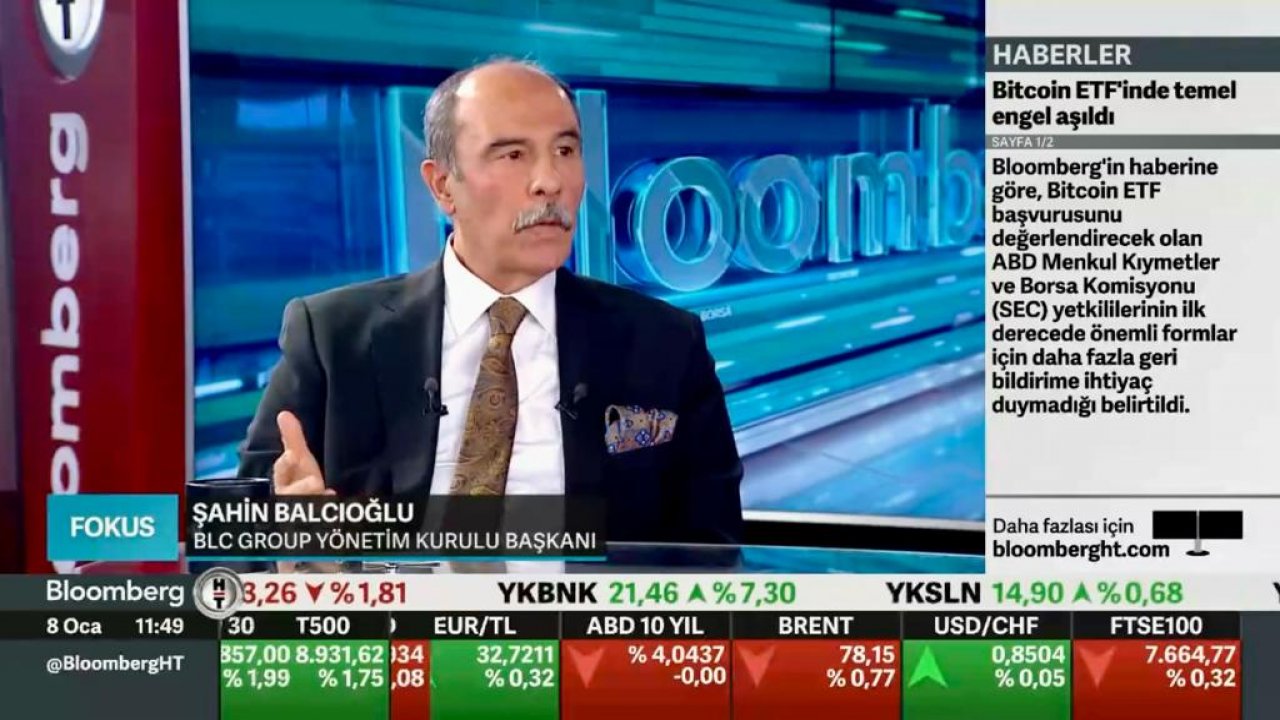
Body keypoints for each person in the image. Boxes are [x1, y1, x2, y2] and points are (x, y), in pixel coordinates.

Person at [238, 59, 743, 545]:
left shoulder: (666, 344)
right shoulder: (332, 336)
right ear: (442, 186)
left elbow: (716, 551)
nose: (550, 181)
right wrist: (291, 544)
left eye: (565, 150)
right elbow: (234, 538)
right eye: (513, 155)